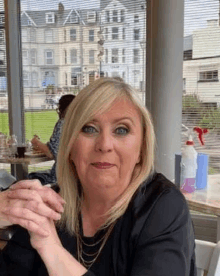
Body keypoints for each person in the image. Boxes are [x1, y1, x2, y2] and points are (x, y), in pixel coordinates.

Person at [0, 78, 196, 275]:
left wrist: (52, 250)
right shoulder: (50, 207)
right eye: (89, 129)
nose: (104, 144)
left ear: (142, 150)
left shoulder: (162, 206)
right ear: (70, 147)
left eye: (121, 130)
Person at [28, 94, 75, 184]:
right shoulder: (78, 123)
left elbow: (53, 153)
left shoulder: (63, 123)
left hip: (60, 179)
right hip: (74, 177)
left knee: (29, 177)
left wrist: (36, 142)